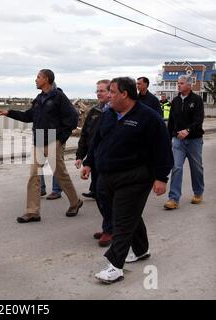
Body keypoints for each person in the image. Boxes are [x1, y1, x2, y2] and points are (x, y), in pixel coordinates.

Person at [82, 77, 173, 283]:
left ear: (124, 94)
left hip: (136, 177)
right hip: (108, 175)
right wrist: (89, 163)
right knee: (127, 214)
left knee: (121, 220)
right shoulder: (108, 115)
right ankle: (141, 250)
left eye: (112, 92)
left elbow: (162, 148)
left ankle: (115, 266)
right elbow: (97, 141)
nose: (108, 96)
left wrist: (161, 177)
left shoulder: (148, 117)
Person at [0, 69, 82, 223]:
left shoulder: (59, 97)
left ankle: (75, 202)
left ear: (46, 79)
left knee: (60, 175)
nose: (35, 80)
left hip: (54, 139)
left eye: (38, 77)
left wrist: (62, 138)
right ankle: (32, 212)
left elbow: (73, 117)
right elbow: (28, 116)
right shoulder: (39, 99)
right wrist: (9, 112)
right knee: (34, 175)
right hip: (39, 138)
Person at [76, 79, 113, 247]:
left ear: (111, 92)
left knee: (108, 195)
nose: (99, 94)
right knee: (99, 195)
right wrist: (80, 156)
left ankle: (111, 230)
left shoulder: (115, 112)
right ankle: (108, 227)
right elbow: (85, 135)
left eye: (102, 91)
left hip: (110, 161)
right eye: (97, 91)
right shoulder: (94, 111)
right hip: (95, 158)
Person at [164, 75, 205, 210]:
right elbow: (171, 122)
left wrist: (188, 130)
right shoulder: (175, 101)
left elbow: (198, 120)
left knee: (196, 167)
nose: (178, 85)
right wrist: (169, 138)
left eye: (181, 83)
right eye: (178, 83)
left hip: (194, 141)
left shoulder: (197, 100)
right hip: (178, 141)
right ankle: (173, 198)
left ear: (189, 85)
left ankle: (198, 193)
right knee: (176, 167)